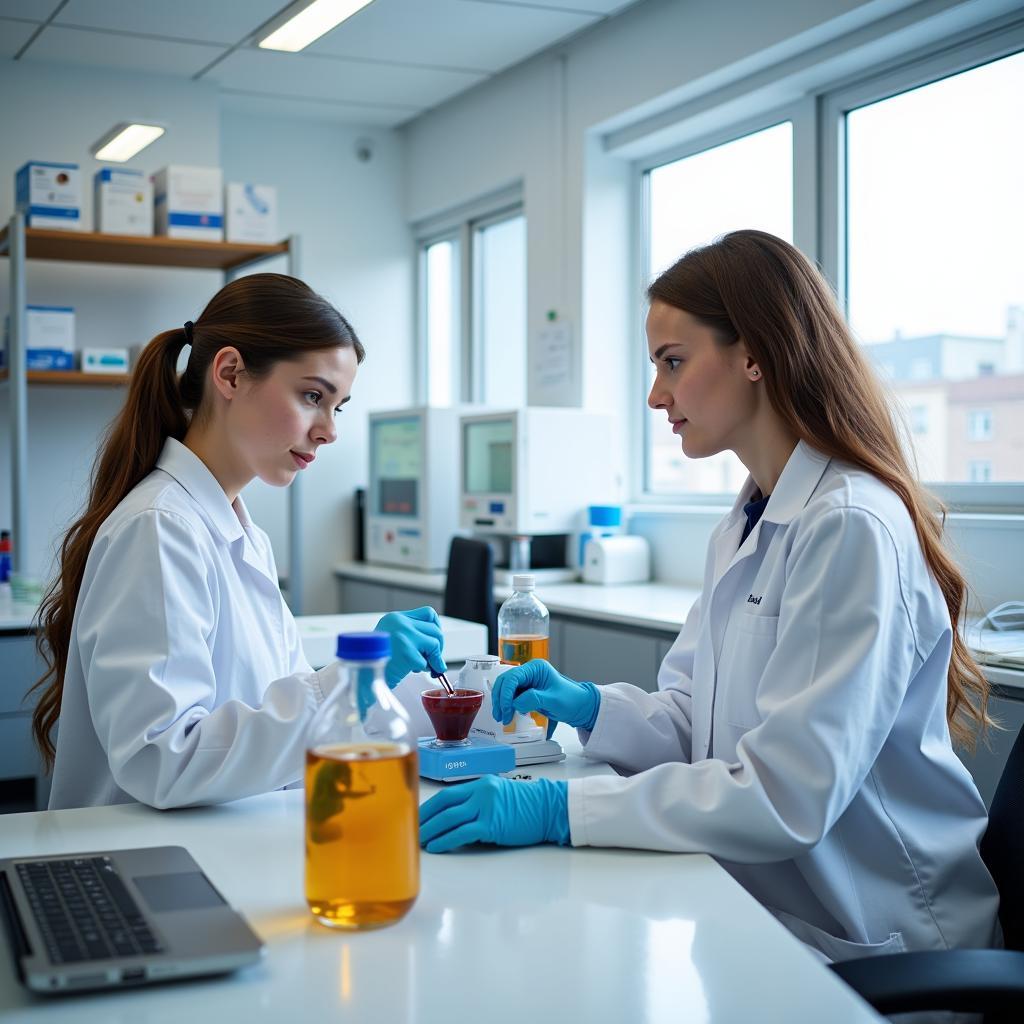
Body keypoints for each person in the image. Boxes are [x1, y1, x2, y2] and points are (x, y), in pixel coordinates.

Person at [418, 230, 1001, 963]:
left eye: (673, 362)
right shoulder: (747, 521)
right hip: (759, 915)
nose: (657, 394)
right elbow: (698, 723)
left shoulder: (849, 526)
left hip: (879, 944)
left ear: (754, 354)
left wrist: (558, 807)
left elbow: (786, 796)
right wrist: (596, 707)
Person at [32, 274, 446, 810]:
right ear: (229, 374)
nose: (328, 430)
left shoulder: (242, 535)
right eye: (312, 396)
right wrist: (351, 682)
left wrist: (436, 697)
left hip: (227, 844)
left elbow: (278, 710)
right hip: (147, 860)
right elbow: (162, 759)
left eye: (337, 406)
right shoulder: (159, 527)